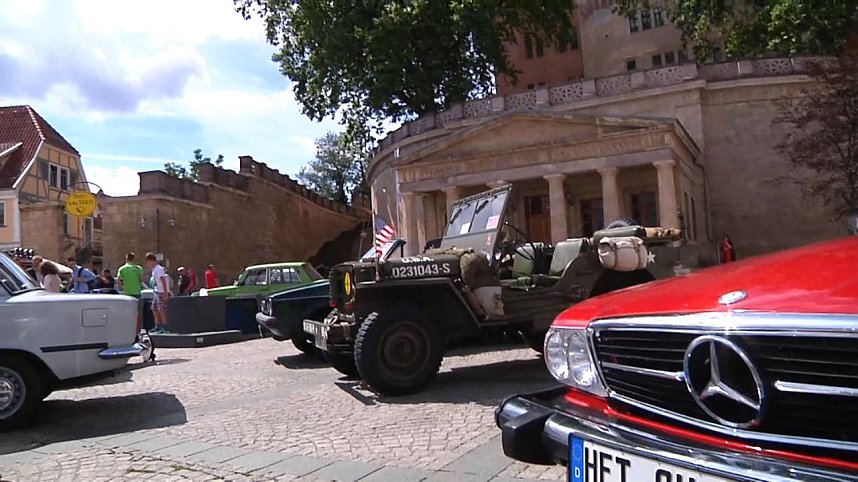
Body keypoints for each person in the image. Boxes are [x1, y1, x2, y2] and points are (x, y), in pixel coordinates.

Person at [117, 252, 145, 331]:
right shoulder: (138, 268)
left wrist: (122, 288)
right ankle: (138, 329)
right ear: (133, 259)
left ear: (126, 259)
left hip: (127, 293)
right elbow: (141, 280)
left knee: (127, 312)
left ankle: (128, 328)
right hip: (137, 292)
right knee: (137, 312)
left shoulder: (122, 268)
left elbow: (118, 280)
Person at [145, 252, 170, 333]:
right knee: (154, 309)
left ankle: (164, 327)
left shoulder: (159, 269)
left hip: (161, 292)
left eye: (148, 262)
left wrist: (165, 293)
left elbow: (163, 280)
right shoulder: (154, 270)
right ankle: (157, 326)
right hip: (156, 291)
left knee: (161, 309)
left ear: (151, 261)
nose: (147, 264)